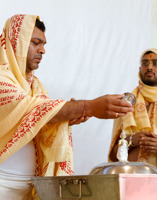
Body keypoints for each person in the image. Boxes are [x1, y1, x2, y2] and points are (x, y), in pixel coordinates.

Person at [0, 14, 133, 199]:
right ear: (17, 43)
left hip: (31, 185)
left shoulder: (35, 86)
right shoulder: (2, 79)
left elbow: (37, 120)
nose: (42, 50)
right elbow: (30, 109)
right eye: (36, 43)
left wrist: (65, 118)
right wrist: (88, 107)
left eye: (44, 44)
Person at [108, 48, 157, 174]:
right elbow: (113, 154)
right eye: (145, 63)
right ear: (140, 69)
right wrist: (132, 140)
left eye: (156, 63)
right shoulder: (126, 102)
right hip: (132, 179)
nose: (149, 67)